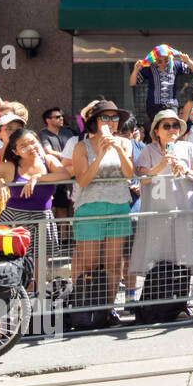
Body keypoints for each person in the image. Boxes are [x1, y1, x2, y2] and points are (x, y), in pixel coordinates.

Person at [130, 111, 193, 300]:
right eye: (166, 126)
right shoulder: (148, 150)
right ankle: (157, 300)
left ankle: (181, 301)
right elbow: (143, 179)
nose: (171, 130)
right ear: (157, 131)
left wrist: (186, 170)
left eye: (175, 125)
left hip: (184, 211)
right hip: (157, 213)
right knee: (158, 257)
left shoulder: (188, 147)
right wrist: (162, 165)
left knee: (184, 256)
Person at [0, 128, 74, 272]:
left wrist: (37, 177)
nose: (31, 147)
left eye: (33, 142)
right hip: (15, 219)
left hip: (43, 218)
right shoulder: (10, 166)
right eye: (23, 146)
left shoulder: (48, 161)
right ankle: (15, 294)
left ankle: (36, 294)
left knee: (40, 268)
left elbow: (65, 174)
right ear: (15, 151)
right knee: (13, 266)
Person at [71, 101, 136, 314]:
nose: (111, 122)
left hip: (118, 206)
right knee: (89, 263)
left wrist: (116, 147)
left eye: (114, 118)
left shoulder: (124, 143)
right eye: (105, 118)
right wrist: (100, 154)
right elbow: (82, 180)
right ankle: (90, 308)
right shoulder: (82, 146)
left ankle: (108, 309)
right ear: (95, 121)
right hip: (90, 208)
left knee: (114, 263)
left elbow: (129, 173)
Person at [130, 48, 193, 136]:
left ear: (170, 58)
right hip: (154, 105)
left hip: (171, 104)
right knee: (156, 130)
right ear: (155, 60)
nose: (163, 64)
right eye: (160, 61)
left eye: (166, 60)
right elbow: (132, 82)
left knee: (172, 128)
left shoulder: (175, 65)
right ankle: (157, 148)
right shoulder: (149, 68)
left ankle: (170, 148)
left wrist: (187, 60)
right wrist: (136, 70)